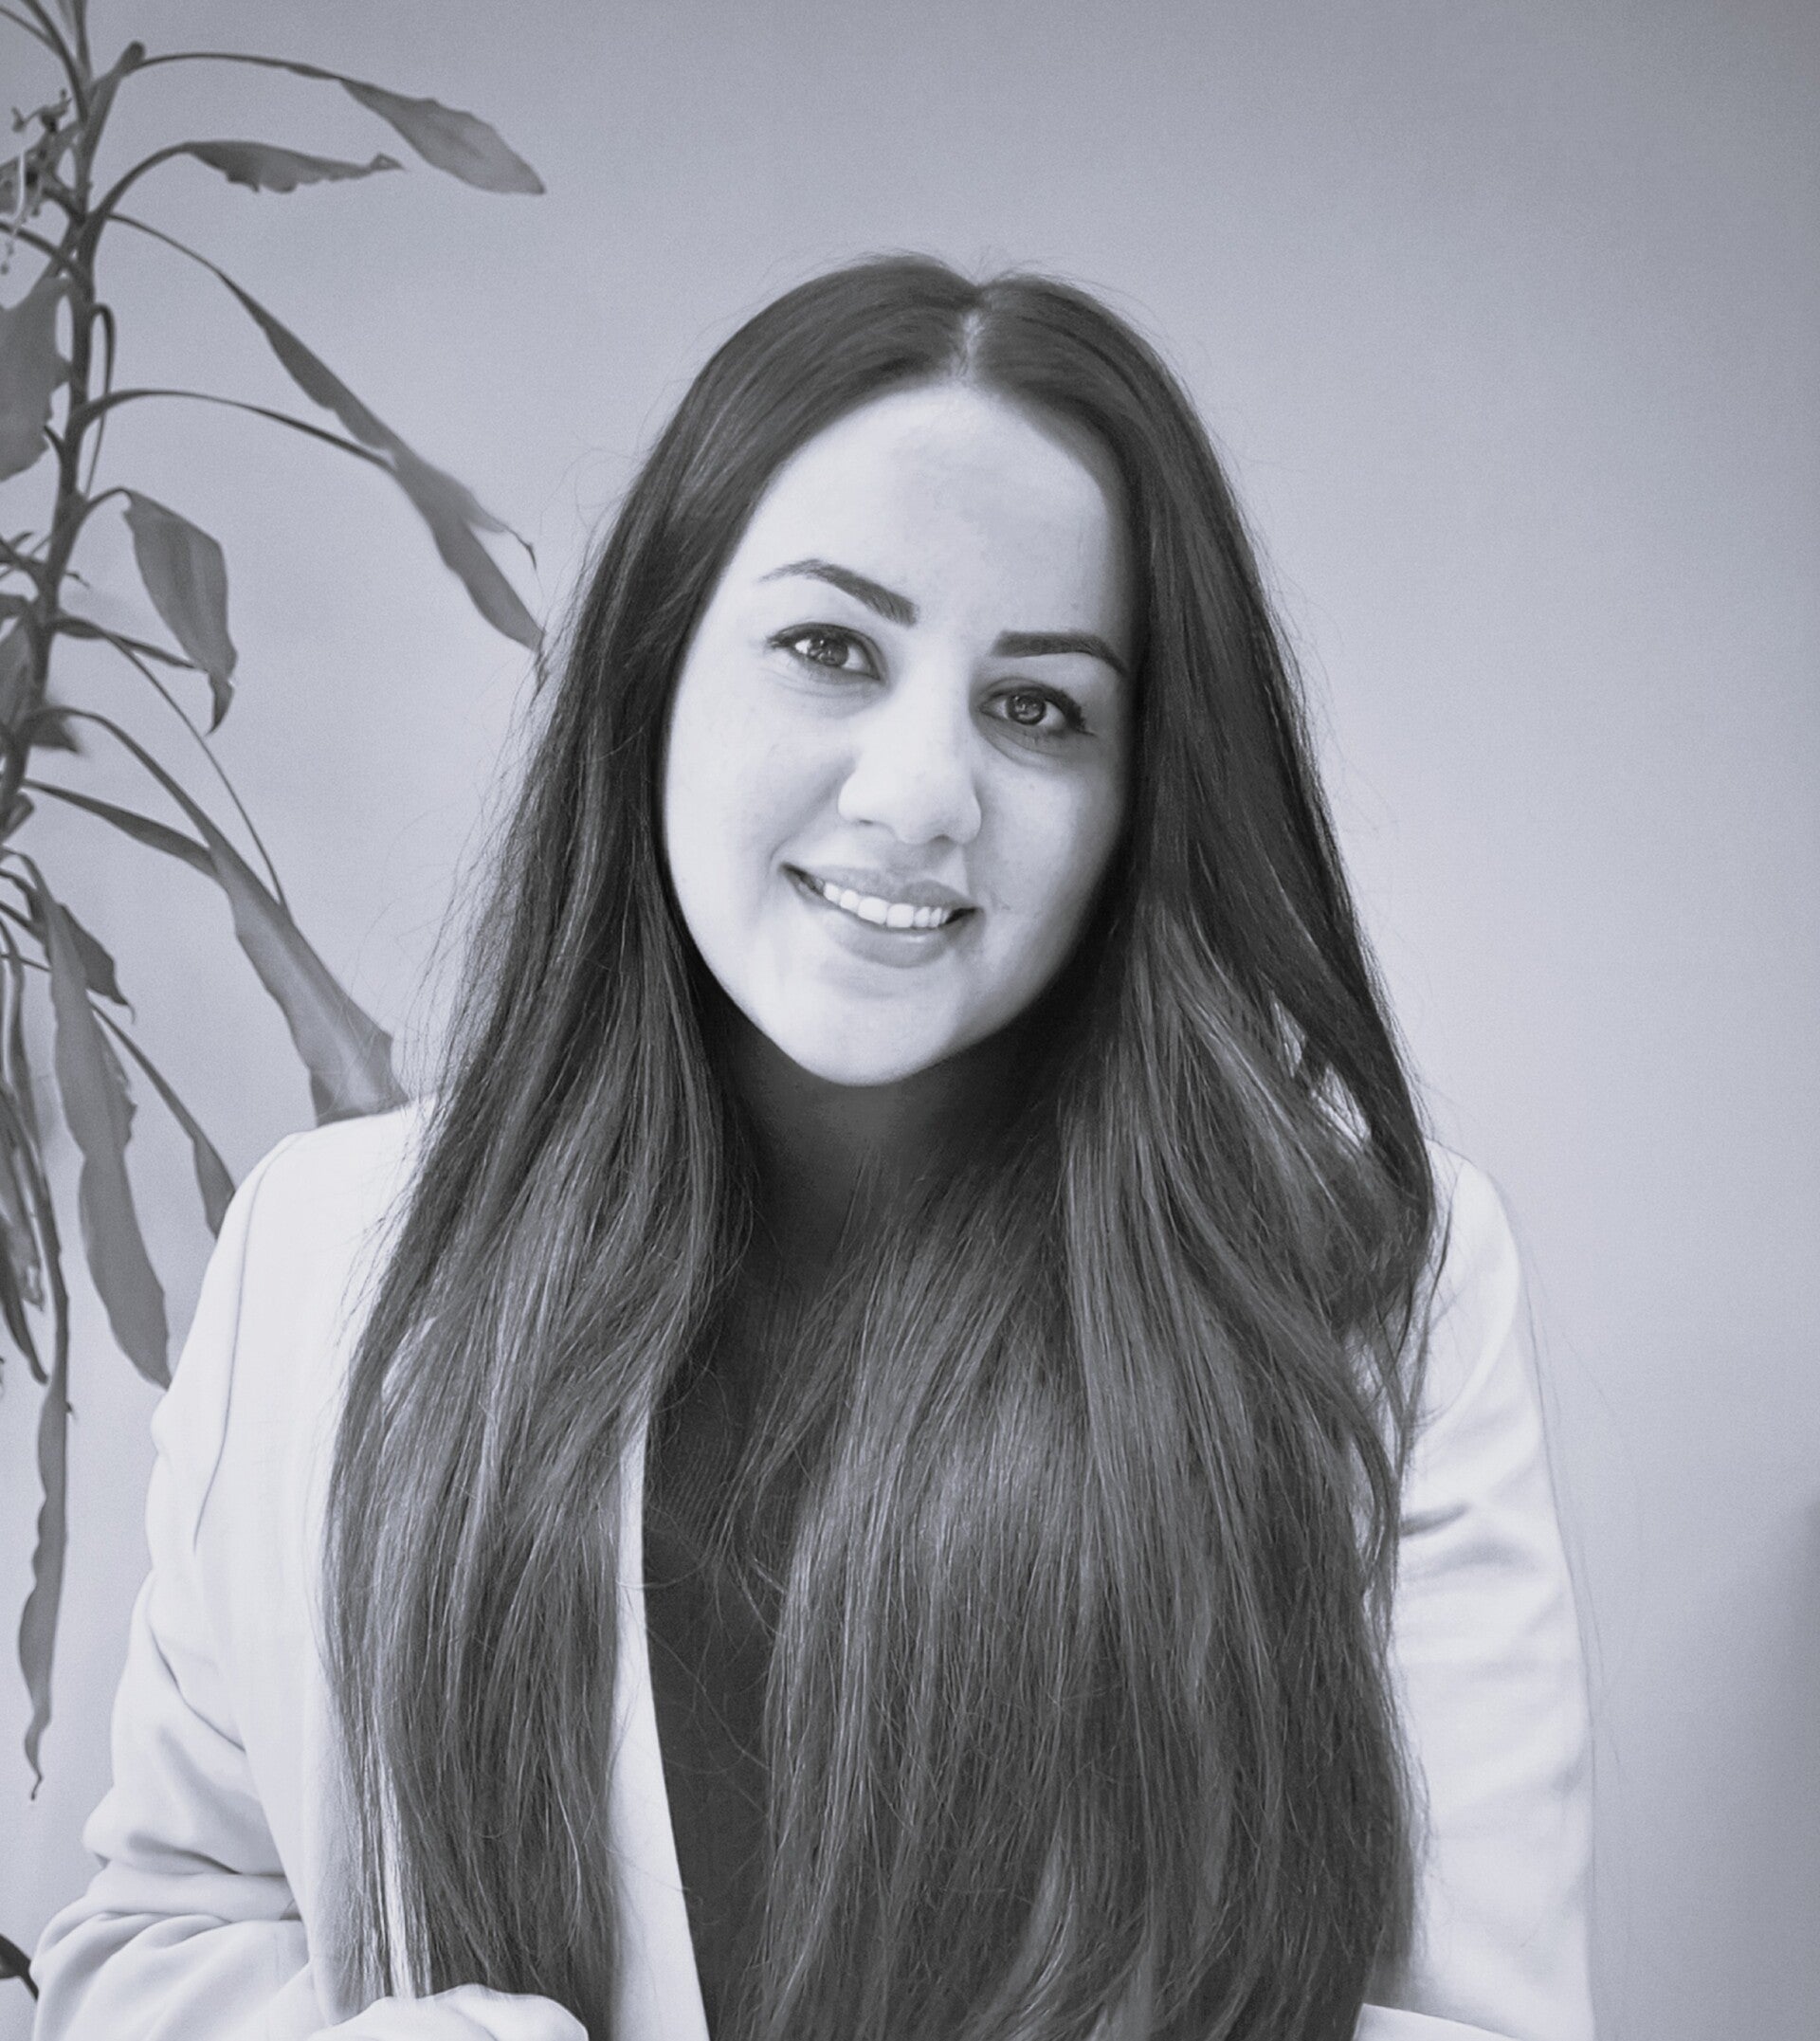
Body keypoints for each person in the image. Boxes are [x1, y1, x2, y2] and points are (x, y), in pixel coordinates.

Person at [30, 258, 1593, 2041]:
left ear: (1137, 800)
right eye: (832, 648)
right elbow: (161, 1931)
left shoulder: (1365, 1278)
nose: (919, 793)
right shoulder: (322, 1258)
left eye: (1040, 706)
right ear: (655, 670)